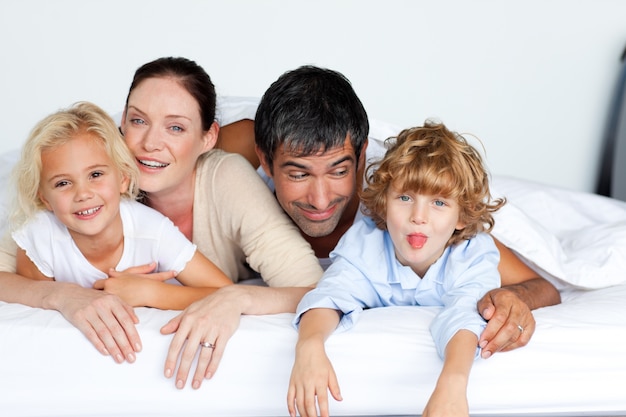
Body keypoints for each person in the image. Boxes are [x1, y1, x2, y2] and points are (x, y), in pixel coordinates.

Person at [0, 57, 324, 390]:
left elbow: (317, 291)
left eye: (176, 127)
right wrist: (61, 295)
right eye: (139, 121)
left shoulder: (225, 180)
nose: (150, 143)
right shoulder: (81, 187)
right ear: (122, 123)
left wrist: (160, 294)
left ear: (208, 137)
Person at [250, 65, 561, 359]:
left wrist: (514, 298)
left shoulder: (426, 218)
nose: (319, 200)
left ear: (361, 159)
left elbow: (541, 286)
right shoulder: (238, 176)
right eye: (299, 175)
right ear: (264, 162)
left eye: (338, 171)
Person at [287, 121, 505, 417]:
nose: (419, 217)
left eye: (439, 202)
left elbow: (465, 314)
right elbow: (331, 294)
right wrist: (309, 345)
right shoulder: (366, 245)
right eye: (405, 198)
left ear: (462, 217)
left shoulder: (473, 255)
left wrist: (452, 382)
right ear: (384, 204)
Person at [10, 101, 232, 310]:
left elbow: (225, 293)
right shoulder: (39, 236)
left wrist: (150, 293)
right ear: (45, 199)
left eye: (95, 174)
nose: (83, 194)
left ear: (123, 178)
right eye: (63, 183)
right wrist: (100, 295)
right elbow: (36, 316)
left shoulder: (152, 230)